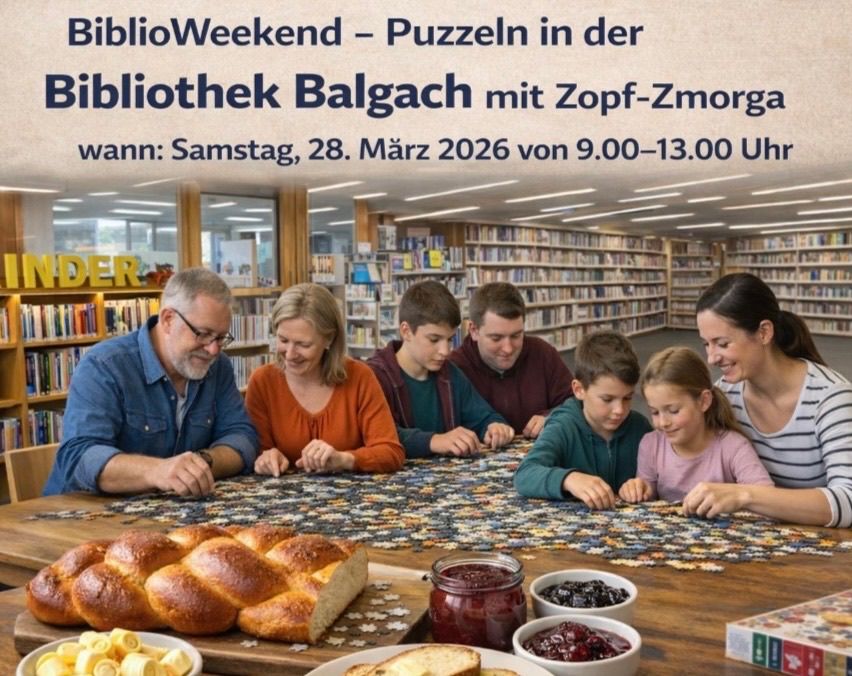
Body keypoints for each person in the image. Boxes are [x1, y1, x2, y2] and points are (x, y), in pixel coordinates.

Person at [44, 268, 259, 496]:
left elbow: (242, 438)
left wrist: (200, 462)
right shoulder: (104, 366)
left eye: (220, 337)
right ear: (168, 319)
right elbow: (80, 458)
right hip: (82, 516)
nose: (213, 349)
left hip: (168, 512)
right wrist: (158, 471)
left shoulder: (217, 366)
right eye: (203, 334)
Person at [692, 272, 852, 527]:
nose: (712, 358)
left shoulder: (830, 397)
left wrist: (746, 495)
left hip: (823, 550)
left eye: (722, 343)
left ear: (764, 333)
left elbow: (848, 501)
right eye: (706, 344)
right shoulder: (724, 395)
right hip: (754, 543)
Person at [246, 283, 404, 475]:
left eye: (303, 344)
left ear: (329, 340)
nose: (289, 354)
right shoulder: (263, 382)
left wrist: (344, 459)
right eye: (283, 340)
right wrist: (265, 459)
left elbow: (391, 452)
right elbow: (256, 452)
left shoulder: (359, 377)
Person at [367, 280, 515, 458]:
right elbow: (378, 435)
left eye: (450, 339)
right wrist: (434, 441)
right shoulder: (373, 376)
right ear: (406, 331)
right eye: (434, 339)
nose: (445, 351)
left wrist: (495, 427)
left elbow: (483, 415)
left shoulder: (449, 374)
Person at [514, 330, 652, 509]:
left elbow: (662, 477)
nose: (619, 410)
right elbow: (525, 474)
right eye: (607, 399)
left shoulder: (640, 428)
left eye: (627, 398)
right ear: (579, 389)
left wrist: (644, 486)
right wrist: (569, 479)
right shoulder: (564, 426)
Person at [619, 347, 772, 505]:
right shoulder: (651, 444)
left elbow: (768, 500)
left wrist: (737, 497)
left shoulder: (733, 447)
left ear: (704, 401)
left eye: (673, 410)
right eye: (655, 412)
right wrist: (637, 489)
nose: (663, 422)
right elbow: (646, 499)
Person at [450, 282, 573, 438]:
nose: (508, 348)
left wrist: (553, 416)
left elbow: (576, 402)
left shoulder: (543, 353)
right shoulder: (454, 368)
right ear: (474, 331)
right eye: (496, 338)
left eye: (516, 336)